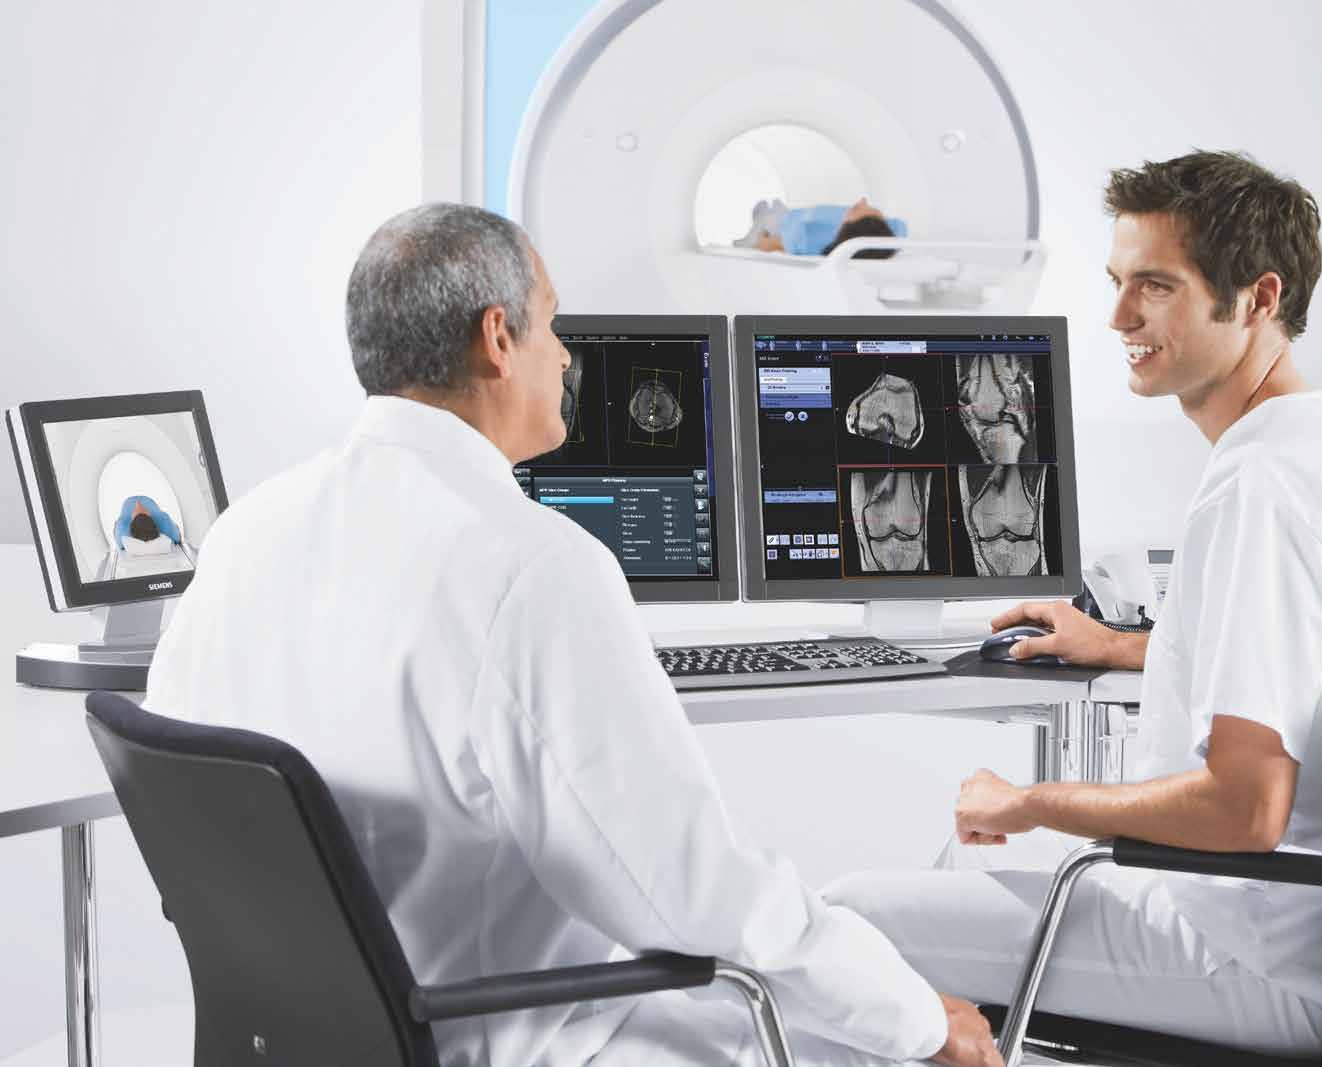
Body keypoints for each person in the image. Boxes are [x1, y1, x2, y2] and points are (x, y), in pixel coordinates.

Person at [144, 203, 1001, 1067]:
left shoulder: (243, 532)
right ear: (498, 338)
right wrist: (914, 1015)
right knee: (876, 1049)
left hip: (298, 1042)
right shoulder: (530, 564)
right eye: (551, 323)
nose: (562, 354)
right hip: (496, 1037)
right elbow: (686, 889)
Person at [828, 151, 1322, 1056]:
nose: (1118, 316)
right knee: (968, 854)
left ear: (1256, 297)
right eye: (1117, 281)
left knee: (845, 927)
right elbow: (1318, 664)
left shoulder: (1260, 488)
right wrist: (1126, 646)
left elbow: (1244, 809)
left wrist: (1033, 798)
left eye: (1156, 286)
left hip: (1257, 952)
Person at [736, 196, 907, 255]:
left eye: (856, 208)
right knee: (774, 211)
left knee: (768, 217)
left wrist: (761, 240)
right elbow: (900, 228)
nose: (862, 200)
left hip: (780, 225)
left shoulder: (809, 238)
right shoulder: (891, 233)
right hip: (789, 217)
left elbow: (769, 244)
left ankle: (760, 221)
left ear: (849, 227)